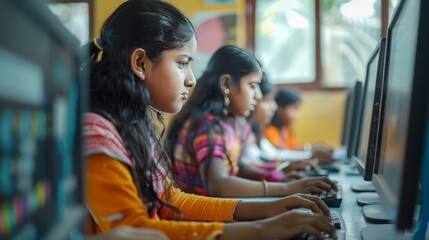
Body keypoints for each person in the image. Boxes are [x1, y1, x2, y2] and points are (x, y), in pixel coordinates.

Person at [83, 1, 335, 239]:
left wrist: (270, 209)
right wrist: (260, 230)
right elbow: (135, 231)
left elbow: (174, 202)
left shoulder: (132, 125)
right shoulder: (97, 133)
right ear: (140, 63)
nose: (191, 79)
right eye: (182, 63)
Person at [167, 45, 336, 199]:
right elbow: (219, 185)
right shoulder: (206, 125)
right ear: (226, 83)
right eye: (252, 85)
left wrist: (280, 177)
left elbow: (241, 167)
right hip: (203, 221)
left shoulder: (231, 122)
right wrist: (286, 188)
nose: (259, 96)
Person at [240, 72, 321, 180]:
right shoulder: (266, 131)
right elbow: (272, 156)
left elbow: (272, 155)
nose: (274, 107)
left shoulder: (254, 132)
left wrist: (309, 156)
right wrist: (310, 154)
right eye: (267, 100)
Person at [264, 88, 336, 164]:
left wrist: (313, 148)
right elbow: (281, 153)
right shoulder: (270, 130)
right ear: (280, 109)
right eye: (294, 108)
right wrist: (311, 152)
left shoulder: (285, 130)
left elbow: (294, 148)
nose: (298, 114)